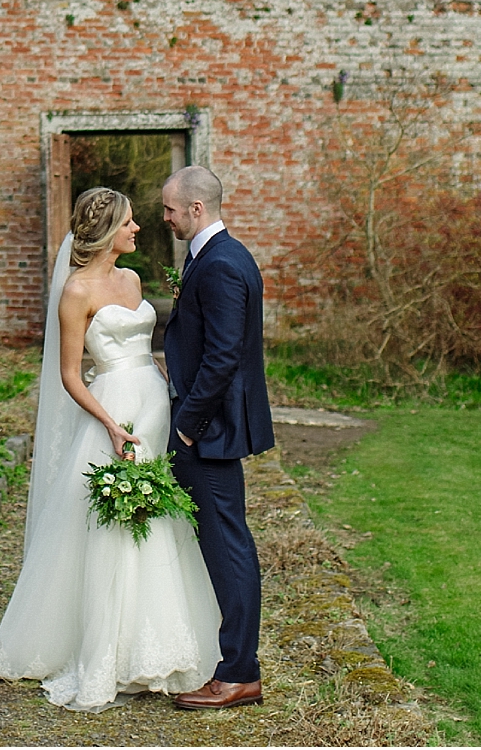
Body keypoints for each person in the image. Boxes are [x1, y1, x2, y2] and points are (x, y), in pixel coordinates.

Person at [0, 187, 220, 711]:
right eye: (131, 223)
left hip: (153, 402)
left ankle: (157, 640)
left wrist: (166, 385)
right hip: (112, 407)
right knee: (112, 521)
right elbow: (69, 374)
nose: (139, 229)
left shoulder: (133, 280)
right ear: (110, 230)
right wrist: (110, 424)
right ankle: (107, 646)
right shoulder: (75, 291)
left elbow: (147, 345)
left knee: (157, 514)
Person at [162, 163, 275, 711]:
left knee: (229, 545)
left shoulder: (223, 264)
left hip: (210, 431)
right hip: (208, 425)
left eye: (169, 209)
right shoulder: (213, 256)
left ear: (196, 209)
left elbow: (225, 355)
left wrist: (187, 423)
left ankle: (238, 673)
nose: (165, 218)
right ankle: (232, 664)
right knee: (222, 539)